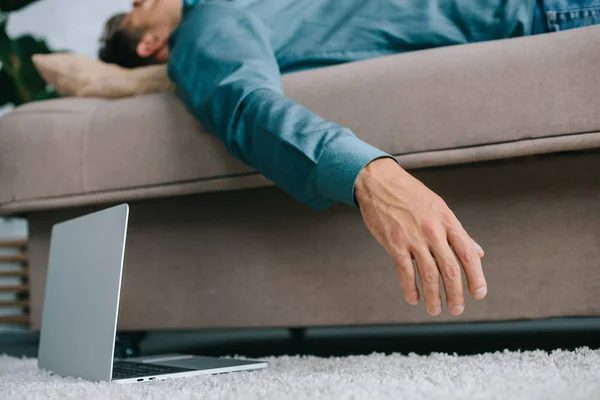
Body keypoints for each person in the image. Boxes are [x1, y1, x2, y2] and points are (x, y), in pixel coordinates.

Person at [97, 0, 594, 317]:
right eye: (137, 6)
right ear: (151, 43)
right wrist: (367, 173)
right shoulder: (204, 28)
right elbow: (244, 104)